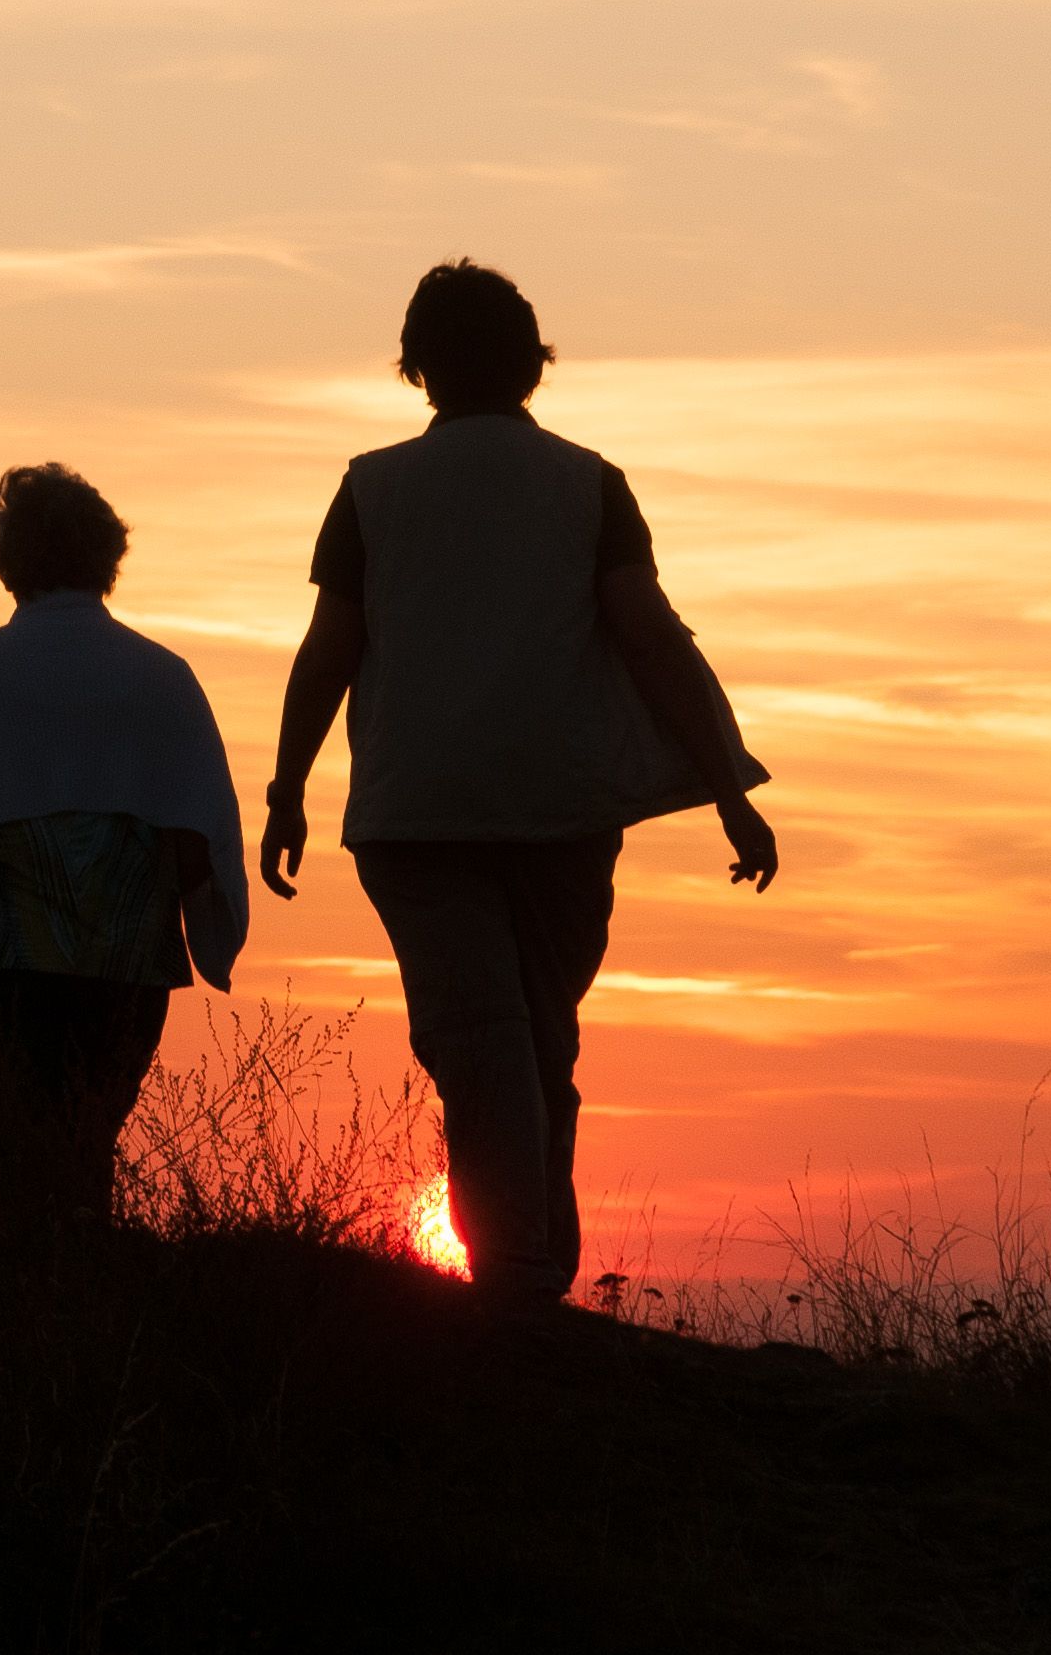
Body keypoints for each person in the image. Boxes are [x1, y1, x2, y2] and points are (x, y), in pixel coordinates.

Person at [261, 261, 775, 1304]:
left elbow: (330, 648)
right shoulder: (588, 483)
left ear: (417, 366)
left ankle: (517, 1273)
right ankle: (527, 1267)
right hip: (561, 808)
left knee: (484, 1033)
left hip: (416, 812)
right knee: (531, 1032)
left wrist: (286, 787)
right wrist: (728, 784)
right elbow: (651, 637)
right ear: (532, 361)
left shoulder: (372, 487)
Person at [0, 464, 250, 1233]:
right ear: (107, 556)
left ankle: (38, 1317)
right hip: (123, 966)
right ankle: (85, 1308)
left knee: (19, 1162)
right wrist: (201, 928)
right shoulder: (163, 677)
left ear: (7, 559)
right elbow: (206, 831)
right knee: (85, 1147)